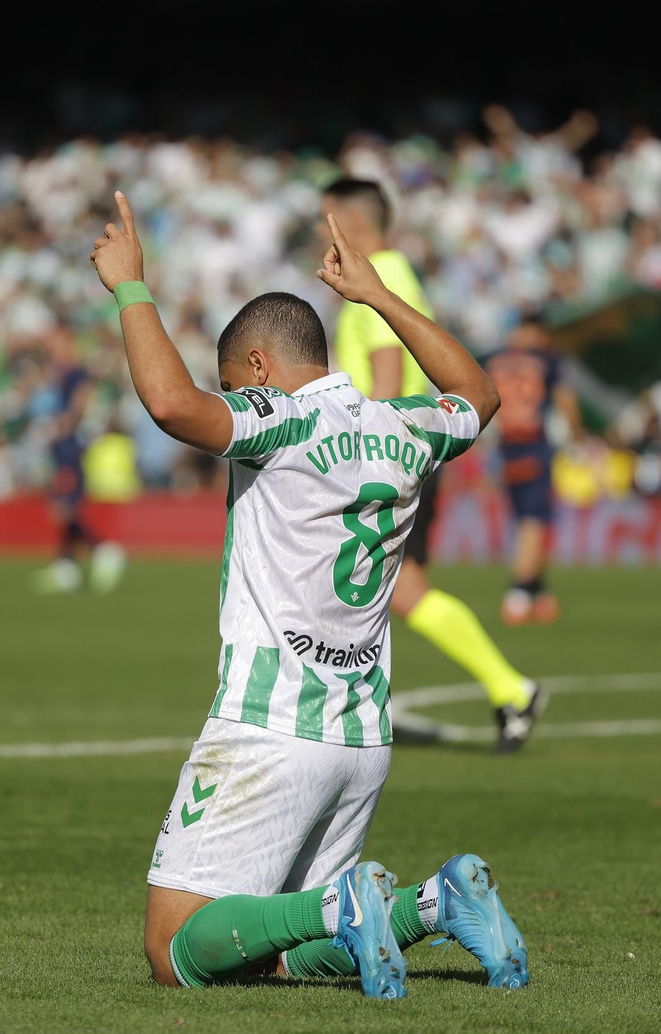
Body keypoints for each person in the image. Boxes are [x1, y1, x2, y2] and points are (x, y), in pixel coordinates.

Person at [91, 192, 531, 998]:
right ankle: (435, 903)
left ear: (257, 371)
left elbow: (170, 405)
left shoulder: (284, 424)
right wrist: (379, 296)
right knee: (281, 948)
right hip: (361, 735)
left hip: (269, 723)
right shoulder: (404, 428)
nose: (234, 391)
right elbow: (479, 396)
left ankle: (344, 901)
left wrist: (130, 286)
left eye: (236, 379)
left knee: (175, 949)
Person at [320, 178, 546, 753]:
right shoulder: (395, 272)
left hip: (386, 453)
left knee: (380, 583)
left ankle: (509, 686)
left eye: (330, 222)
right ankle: (508, 688)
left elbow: (388, 365)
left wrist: (368, 452)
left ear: (354, 224)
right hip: (402, 447)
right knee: (400, 587)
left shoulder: (382, 275)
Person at [485, 311, 579, 625]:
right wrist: (578, 437)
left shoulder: (496, 360)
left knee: (522, 517)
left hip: (505, 443)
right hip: (534, 443)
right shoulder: (546, 360)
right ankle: (520, 591)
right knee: (533, 521)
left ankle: (540, 592)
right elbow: (565, 400)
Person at [32, 331, 127, 594]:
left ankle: (103, 550)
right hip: (64, 447)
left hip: (71, 448)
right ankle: (66, 567)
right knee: (62, 508)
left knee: (64, 508)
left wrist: (58, 427)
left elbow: (80, 406)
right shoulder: (61, 377)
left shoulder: (77, 375)